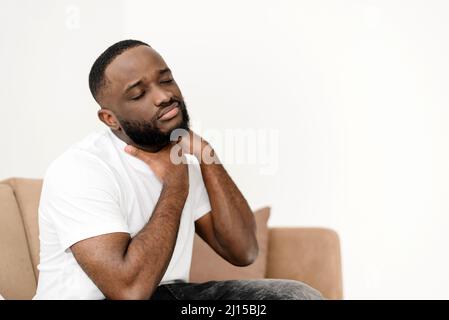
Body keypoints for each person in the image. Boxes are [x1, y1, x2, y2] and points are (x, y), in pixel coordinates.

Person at [33, 40, 323, 300]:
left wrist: (207, 156)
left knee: (295, 298)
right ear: (110, 118)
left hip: (169, 294)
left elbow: (243, 251)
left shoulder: (178, 157)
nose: (163, 96)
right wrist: (175, 184)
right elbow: (129, 292)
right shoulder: (81, 170)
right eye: (138, 94)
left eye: (166, 80)